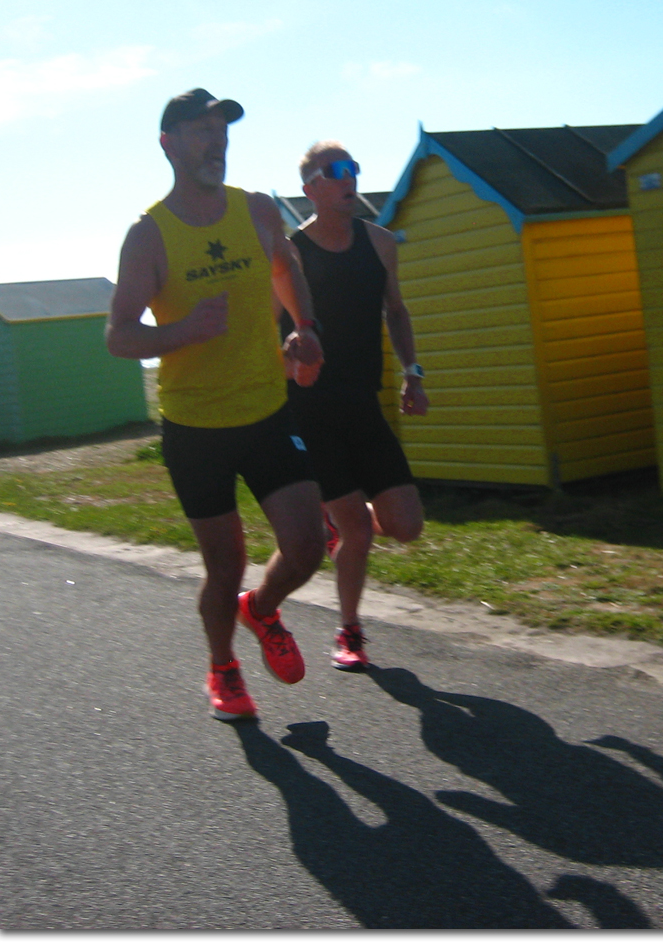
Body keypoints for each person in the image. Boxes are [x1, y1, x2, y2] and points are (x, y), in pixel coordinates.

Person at [107, 88, 326, 721]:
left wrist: (305, 327)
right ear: (168, 144)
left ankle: (260, 611)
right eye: (201, 131)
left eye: (222, 131)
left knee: (308, 545)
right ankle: (223, 669)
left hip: (266, 411)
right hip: (195, 427)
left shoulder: (256, 210)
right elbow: (119, 335)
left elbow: (286, 268)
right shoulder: (148, 236)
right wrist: (182, 331)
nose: (217, 142)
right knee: (223, 564)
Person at [280, 140, 428, 671]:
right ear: (311, 188)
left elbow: (396, 311)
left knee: (406, 524)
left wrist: (413, 373)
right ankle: (350, 631)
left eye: (354, 169)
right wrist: (292, 357)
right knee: (361, 534)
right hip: (312, 409)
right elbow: (277, 339)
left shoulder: (381, 243)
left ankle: (343, 524)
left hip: (365, 403)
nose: (350, 179)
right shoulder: (292, 254)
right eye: (336, 172)